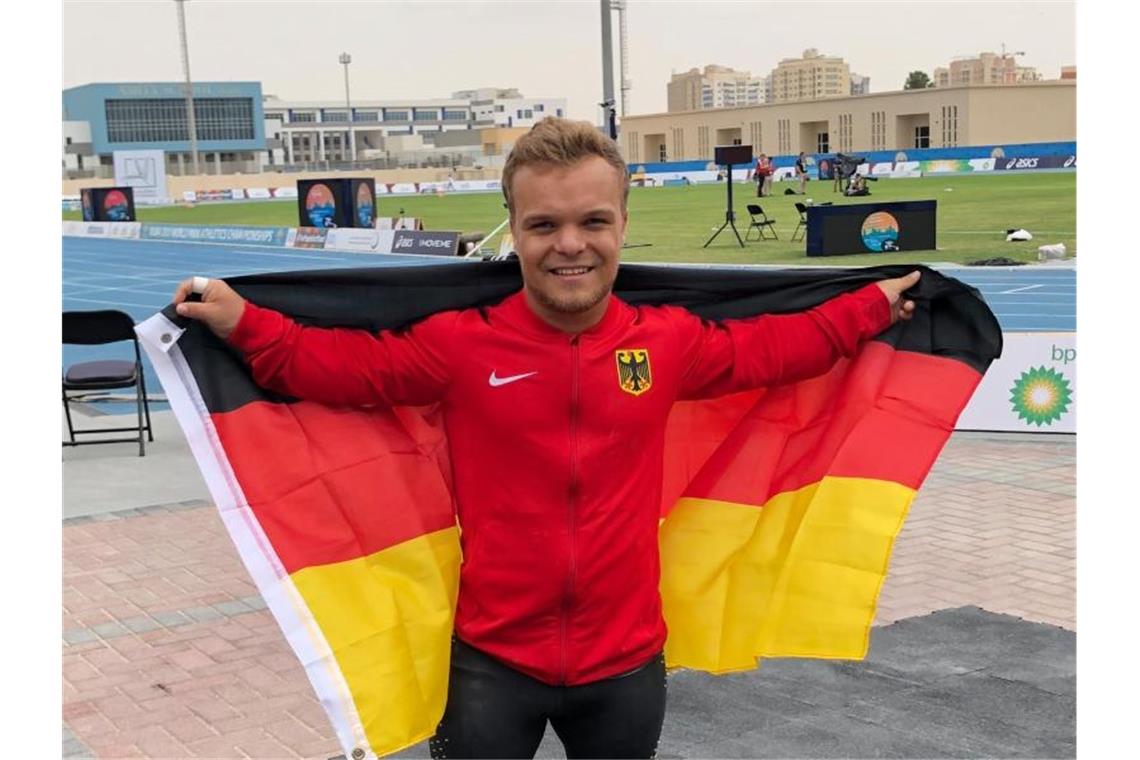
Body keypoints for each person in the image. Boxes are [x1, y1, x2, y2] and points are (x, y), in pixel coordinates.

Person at [173, 117, 919, 760]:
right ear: (515, 231)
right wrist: (244, 321)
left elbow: (781, 348)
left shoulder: (667, 343)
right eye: (543, 225)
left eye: (593, 221)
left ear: (623, 225)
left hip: (626, 666)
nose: (571, 245)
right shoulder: (461, 345)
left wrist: (870, 309)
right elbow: (334, 368)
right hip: (490, 665)